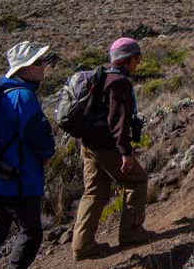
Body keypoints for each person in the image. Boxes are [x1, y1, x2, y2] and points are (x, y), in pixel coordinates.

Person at [0, 41, 56, 269]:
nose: (43, 66)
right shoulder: (23, 97)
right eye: (38, 62)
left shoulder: (1, 93)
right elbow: (37, 135)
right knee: (31, 233)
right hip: (20, 178)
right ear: (23, 69)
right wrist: (47, 153)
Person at [71, 38, 156, 260]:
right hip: (107, 147)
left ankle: (83, 245)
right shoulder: (119, 82)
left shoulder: (102, 77)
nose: (139, 62)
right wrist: (125, 153)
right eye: (137, 58)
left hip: (89, 145)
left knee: (94, 192)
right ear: (128, 60)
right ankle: (131, 232)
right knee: (137, 180)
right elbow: (118, 121)